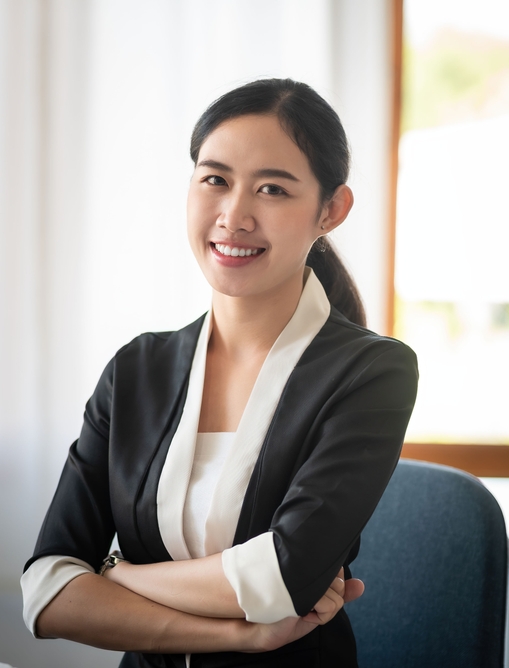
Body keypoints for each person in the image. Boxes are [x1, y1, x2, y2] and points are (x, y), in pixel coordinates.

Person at [21, 78, 418, 668]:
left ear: (330, 211)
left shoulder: (370, 373)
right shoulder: (137, 371)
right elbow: (46, 593)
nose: (234, 216)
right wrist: (237, 633)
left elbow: (280, 581)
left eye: (273, 189)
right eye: (215, 179)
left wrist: (113, 573)